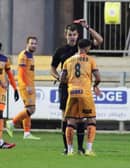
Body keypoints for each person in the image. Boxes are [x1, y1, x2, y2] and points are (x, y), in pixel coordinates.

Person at [50, 19, 103, 154]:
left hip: (76, 87)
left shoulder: (81, 46)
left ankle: (79, 148)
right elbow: (52, 68)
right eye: (69, 34)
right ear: (65, 35)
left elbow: (99, 40)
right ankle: (67, 148)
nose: (72, 37)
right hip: (65, 87)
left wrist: (88, 27)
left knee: (80, 118)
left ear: (77, 35)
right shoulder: (60, 51)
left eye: (74, 34)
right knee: (66, 117)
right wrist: (59, 78)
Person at [60, 39, 101, 156]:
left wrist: (72, 82)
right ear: (87, 48)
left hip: (72, 92)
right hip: (85, 93)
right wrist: (95, 85)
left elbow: (62, 79)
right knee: (91, 120)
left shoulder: (68, 61)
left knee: (70, 121)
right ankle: (88, 149)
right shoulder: (90, 60)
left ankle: (69, 150)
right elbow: (98, 77)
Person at [6, 36, 40, 140]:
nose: (33, 45)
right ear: (27, 44)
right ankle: (11, 122)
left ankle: (26, 133)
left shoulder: (30, 55)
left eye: (35, 43)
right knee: (31, 109)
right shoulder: (23, 55)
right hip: (25, 86)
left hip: (30, 85)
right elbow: (21, 73)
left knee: (28, 109)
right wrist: (26, 86)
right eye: (31, 43)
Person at [0, 42, 19, 149]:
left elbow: (9, 74)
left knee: (0, 115)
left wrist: (15, 88)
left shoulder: (4, 59)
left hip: (1, 92)